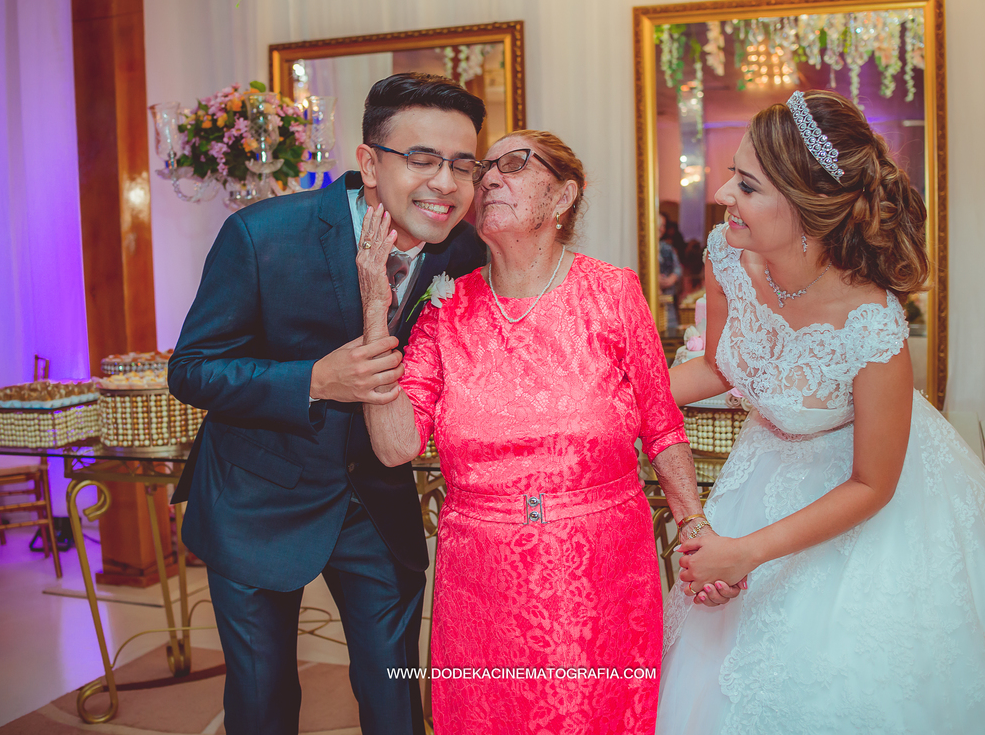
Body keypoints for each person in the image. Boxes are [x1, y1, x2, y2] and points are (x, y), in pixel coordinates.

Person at [657, 89, 985, 734]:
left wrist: (746, 553)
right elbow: (721, 364)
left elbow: (873, 485)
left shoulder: (870, 320)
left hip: (863, 496)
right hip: (761, 472)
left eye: (748, 185)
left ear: (810, 207)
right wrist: (618, 399)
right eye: (733, 175)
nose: (722, 194)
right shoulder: (727, 256)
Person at [168, 73, 488, 735]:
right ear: (369, 163)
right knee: (263, 702)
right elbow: (193, 369)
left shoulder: (463, 248)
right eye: (422, 159)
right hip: (257, 496)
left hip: (376, 500)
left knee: (395, 694)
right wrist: (314, 380)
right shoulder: (262, 234)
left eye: (463, 164)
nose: (446, 183)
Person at [355, 130, 703, 734]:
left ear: (563, 196)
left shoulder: (613, 292)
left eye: (513, 164)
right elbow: (394, 445)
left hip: (600, 576)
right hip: (481, 584)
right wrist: (373, 312)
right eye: (483, 168)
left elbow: (663, 426)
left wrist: (694, 527)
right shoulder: (445, 309)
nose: (489, 178)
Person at [658, 212, 683, 335]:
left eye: (663, 225)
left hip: (668, 300)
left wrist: (671, 279)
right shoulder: (641, 247)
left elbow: (678, 268)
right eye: (658, 224)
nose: (661, 228)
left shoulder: (667, 248)